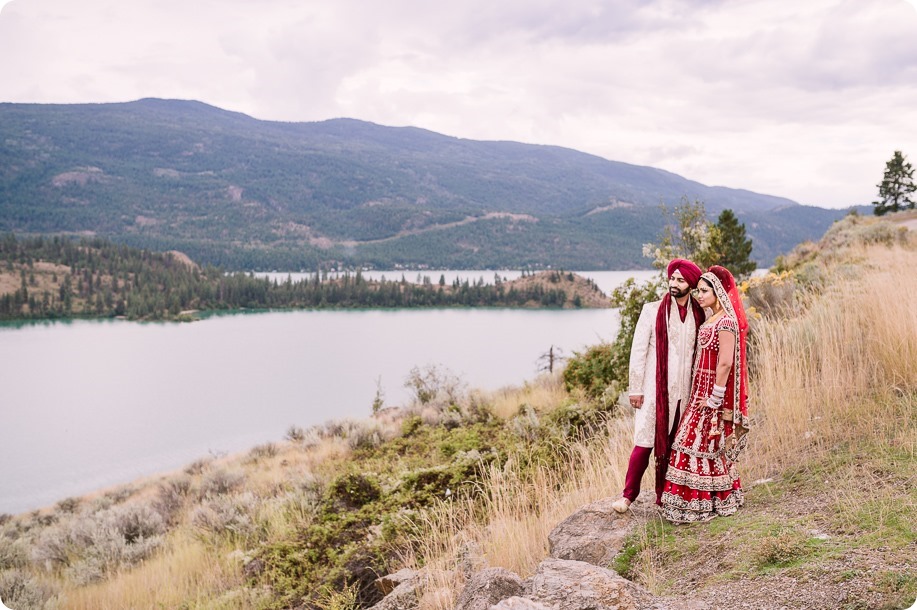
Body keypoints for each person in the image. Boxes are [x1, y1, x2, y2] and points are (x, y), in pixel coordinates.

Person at [612, 259, 705, 513]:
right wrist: (635, 388)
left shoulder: (699, 314)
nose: (673, 284)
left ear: (691, 284)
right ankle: (628, 496)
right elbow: (638, 351)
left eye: (680, 280)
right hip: (654, 392)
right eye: (672, 279)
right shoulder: (652, 310)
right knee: (644, 441)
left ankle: (668, 496)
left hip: (684, 393)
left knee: (676, 444)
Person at [661, 264, 750, 523]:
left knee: (699, 443)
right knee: (691, 441)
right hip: (699, 389)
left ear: (717, 292)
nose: (699, 296)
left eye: (704, 291)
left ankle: (703, 502)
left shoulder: (726, 322)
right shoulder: (710, 318)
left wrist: (714, 399)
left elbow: (725, 363)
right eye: (697, 291)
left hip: (711, 393)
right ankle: (692, 501)